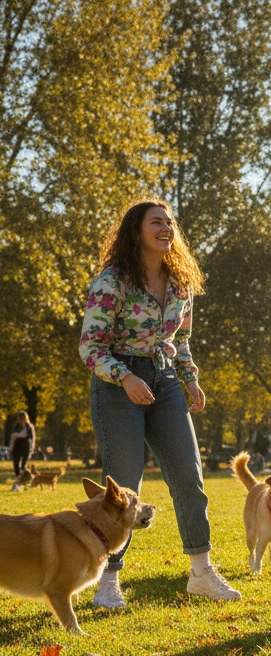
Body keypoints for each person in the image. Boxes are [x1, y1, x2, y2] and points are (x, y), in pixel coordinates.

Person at [79, 199, 241, 609]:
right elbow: (91, 347)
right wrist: (125, 376)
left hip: (165, 380)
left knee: (190, 476)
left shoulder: (181, 283)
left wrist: (191, 380)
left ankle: (201, 573)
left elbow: (180, 341)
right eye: (157, 222)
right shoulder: (111, 281)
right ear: (137, 231)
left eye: (170, 222)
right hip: (118, 384)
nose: (167, 228)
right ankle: (108, 580)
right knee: (122, 485)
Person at [9, 411, 34, 486]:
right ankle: (18, 481)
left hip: (25, 447)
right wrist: (11, 448)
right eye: (20, 418)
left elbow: (32, 438)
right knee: (16, 465)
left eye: (23, 418)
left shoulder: (29, 427)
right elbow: (12, 438)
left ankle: (25, 480)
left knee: (23, 466)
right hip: (17, 448)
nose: (21, 420)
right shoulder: (16, 427)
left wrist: (31, 450)